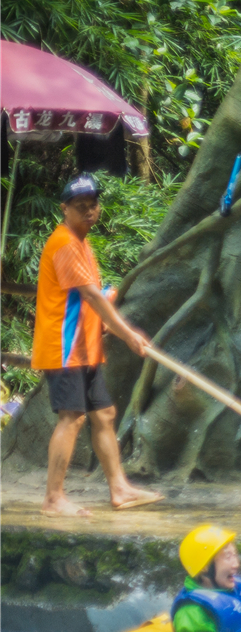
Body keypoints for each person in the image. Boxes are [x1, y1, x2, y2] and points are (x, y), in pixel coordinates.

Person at [32, 174, 161, 516]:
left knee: (103, 414)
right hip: (64, 347)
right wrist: (127, 333)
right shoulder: (64, 243)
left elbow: (87, 296)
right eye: (81, 207)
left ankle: (119, 488)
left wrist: (105, 317)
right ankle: (53, 498)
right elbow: (89, 294)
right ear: (64, 209)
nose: (90, 212)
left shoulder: (83, 244)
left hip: (86, 347)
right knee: (72, 418)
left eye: (93, 205)